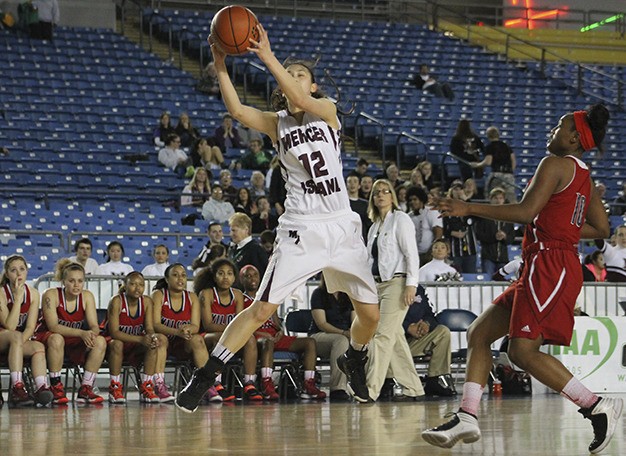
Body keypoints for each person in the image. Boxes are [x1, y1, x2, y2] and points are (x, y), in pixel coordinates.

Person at [176, 24, 380, 413]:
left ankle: (353, 356)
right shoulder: (277, 124)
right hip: (302, 227)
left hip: (341, 225)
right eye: (290, 74)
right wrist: (220, 63)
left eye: (300, 74)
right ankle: (206, 375)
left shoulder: (328, 112)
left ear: (314, 87)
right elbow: (235, 110)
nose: (294, 79)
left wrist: (267, 55)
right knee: (261, 309)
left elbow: (299, 95)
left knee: (370, 316)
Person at [422, 104, 623, 455]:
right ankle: (467, 416)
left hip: (550, 264)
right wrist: (563, 232)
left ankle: (596, 406)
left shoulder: (554, 164)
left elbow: (526, 213)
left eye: (558, 127)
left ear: (574, 138)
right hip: (546, 261)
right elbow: (603, 229)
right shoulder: (584, 176)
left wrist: (468, 208)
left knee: (522, 352)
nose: (551, 132)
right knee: (479, 334)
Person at [365, 179, 424, 401]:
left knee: (381, 337)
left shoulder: (401, 219)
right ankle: (414, 387)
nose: (381, 195)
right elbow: (369, 259)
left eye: (385, 191)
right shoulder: (373, 227)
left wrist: (411, 284)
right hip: (377, 285)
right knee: (395, 338)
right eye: (376, 192)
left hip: (397, 283)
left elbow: (411, 254)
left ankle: (370, 390)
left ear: (392, 196)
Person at [239, 264, 326, 401]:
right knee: (268, 342)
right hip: (257, 338)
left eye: (255, 275)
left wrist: (279, 330)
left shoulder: (267, 298)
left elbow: (276, 322)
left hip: (274, 336)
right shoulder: (241, 300)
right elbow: (242, 326)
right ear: (241, 280)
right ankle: (267, 383)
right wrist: (263, 334)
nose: (252, 279)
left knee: (310, 342)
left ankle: (309, 384)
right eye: (247, 276)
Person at [36, 260, 107, 404]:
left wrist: (92, 334)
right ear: (63, 281)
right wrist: (82, 333)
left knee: (100, 341)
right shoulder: (50, 294)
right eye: (72, 281)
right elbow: (53, 326)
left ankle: (86, 388)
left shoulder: (87, 296)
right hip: (49, 338)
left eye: (80, 281)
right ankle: (56, 386)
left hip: (73, 338)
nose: (76, 285)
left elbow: (94, 325)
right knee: (57, 339)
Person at [195, 260, 262, 402]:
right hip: (207, 337)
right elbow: (208, 325)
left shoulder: (237, 295)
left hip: (229, 336)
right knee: (219, 338)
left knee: (250, 338)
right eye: (221, 273)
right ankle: (216, 382)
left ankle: (249, 383)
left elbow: (240, 322)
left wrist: (234, 331)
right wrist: (232, 330)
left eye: (229, 274)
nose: (225, 277)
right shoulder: (206, 294)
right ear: (214, 277)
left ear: (234, 277)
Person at [102, 272, 167, 403]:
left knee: (153, 343)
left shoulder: (147, 301)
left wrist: (151, 336)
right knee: (117, 343)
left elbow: (149, 327)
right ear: (125, 286)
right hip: (113, 344)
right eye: (133, 284)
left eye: (141, 285)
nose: (137, 288)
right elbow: (114, 332)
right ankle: (115, 387)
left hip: (134, 343)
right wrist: (140, 339)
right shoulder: (116, 301)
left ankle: (147, 386)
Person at [0, 255, 54, 406]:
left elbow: (30, 327)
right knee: (15, 335)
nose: (18, 274)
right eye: (13, 270)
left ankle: (41, 387)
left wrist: (18, 344)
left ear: (27, 271)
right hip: (2, 338)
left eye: (22, 269)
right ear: (7, 273)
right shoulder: (1, 293)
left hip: (17, 341)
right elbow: (9, 327)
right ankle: (18, 387)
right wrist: (17, 299)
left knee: (38, 347)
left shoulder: (34, 294)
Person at [152, 263, 206, 403]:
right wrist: (177, 331)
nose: (180, 279)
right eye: (175, 275)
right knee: (160, 340)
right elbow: (155, 324)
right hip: (164, 342)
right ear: (167, 279)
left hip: (181, 344)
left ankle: (206, 384)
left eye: (183, 275)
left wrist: (188, 330)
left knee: (197, 339)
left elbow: (196, 325)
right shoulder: (158, 295)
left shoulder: (192, 297)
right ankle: (159, 385)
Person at [403, 285, 456, 396]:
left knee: (443, 331)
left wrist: (426, 324)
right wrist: (407, 327)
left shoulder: (419, 289)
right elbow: (382, 318)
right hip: (395, 341)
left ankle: (434, 381)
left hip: (414, 340)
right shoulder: (387, 286)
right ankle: (386, 383)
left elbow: (430, 315)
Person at [309, 278, 353, 402]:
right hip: (319, 336)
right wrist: (344, 333)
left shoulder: (348, 295)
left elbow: (355, 321)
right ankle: (337, 388)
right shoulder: (318, 294)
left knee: (368, 343)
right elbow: (322, 323)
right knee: (341, 341)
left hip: (345, 335)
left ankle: (370, 386)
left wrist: (353, 333)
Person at [475, 187, 516, 276]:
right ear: (490, 199)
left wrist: (505, 237)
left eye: (500, 198)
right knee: (487, 284)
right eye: (496, 198)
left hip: (503, 258)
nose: (498, 200)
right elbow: (478, 234)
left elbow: (511, 238)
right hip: (488, 258)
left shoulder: (509, 218)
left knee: (504, 284)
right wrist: (494, 237)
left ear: (504, 200)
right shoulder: (484, 216)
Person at [472, 126, 517, 202]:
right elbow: (513, 160)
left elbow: (488, 161)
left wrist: (477, 165)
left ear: (488, 136)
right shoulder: (506, 146)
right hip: (509, 174)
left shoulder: (490, 146)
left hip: (496, 174)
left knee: (492, 194)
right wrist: (510, 172)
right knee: (510, 196)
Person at [443, 181, 478, 273]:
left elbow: (478, 217)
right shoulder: (445, 208)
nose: (458, 191)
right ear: (451, 191)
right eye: (456, 189)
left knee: (470, 278)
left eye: (460, 189)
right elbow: (441, 227)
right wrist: (451, 232)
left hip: (470, 248)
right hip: (454, 249)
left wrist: (466, 200)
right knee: (455, 277)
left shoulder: (469, 206)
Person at [406, 186, 444, 265]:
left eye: (415, 199)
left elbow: (438, 234)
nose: (412, 202)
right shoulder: (408, 216)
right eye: (410, 200)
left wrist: (432, 252)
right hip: (413, 255)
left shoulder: (431, 212)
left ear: (421, 200)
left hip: (428, 255)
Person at [227, 212, 269, 279]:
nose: (231, 234)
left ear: (246, 230)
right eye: (231, 231)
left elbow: (262, 275)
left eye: (234, 230)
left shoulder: (255, 249)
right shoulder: (232, 249)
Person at [346, 174, 371, 241]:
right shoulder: (343, 203)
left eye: (355, 181)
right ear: (346, 185)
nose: (352, 184)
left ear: (359, 185)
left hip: (361, 239)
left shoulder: (366, 204)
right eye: (349, 182)